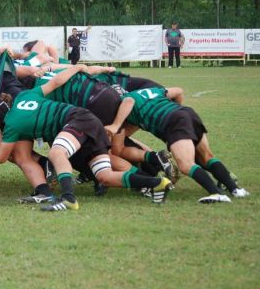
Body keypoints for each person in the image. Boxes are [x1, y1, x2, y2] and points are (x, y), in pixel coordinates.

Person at [0, 80, 172, 212]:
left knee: (57, 152)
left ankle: (68, 199)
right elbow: (55, 82)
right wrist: (76, 68)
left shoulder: (11, 123)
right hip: (87, 120)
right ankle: (157, 183)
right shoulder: (26, 95)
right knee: (104, 176)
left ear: (0, 115)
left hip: (77, 120)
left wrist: (0, 130)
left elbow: (1, 157)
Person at [106, 86, 250, 203]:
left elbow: (128, 101)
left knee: (185, 165)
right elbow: (178, 91)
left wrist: (115, 124)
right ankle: (236, 190)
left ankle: (216, 194)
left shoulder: (127, 100)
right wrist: (177, 111)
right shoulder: (148, 93)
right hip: (186, 113)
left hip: (173, 121)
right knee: (205, 157)